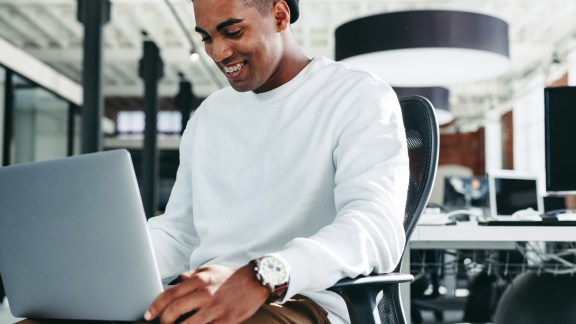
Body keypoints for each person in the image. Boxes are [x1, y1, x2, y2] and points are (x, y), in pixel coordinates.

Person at [144, 0, 409, 323]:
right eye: (207, 38)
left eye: (233, 32)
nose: (218, 53)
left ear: (280, 16)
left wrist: (263, 275)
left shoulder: (356, 95)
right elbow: (181, 232)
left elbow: (374, 227)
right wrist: (105, 262)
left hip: (304, 300)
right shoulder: (209, 115)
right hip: (205, 295)